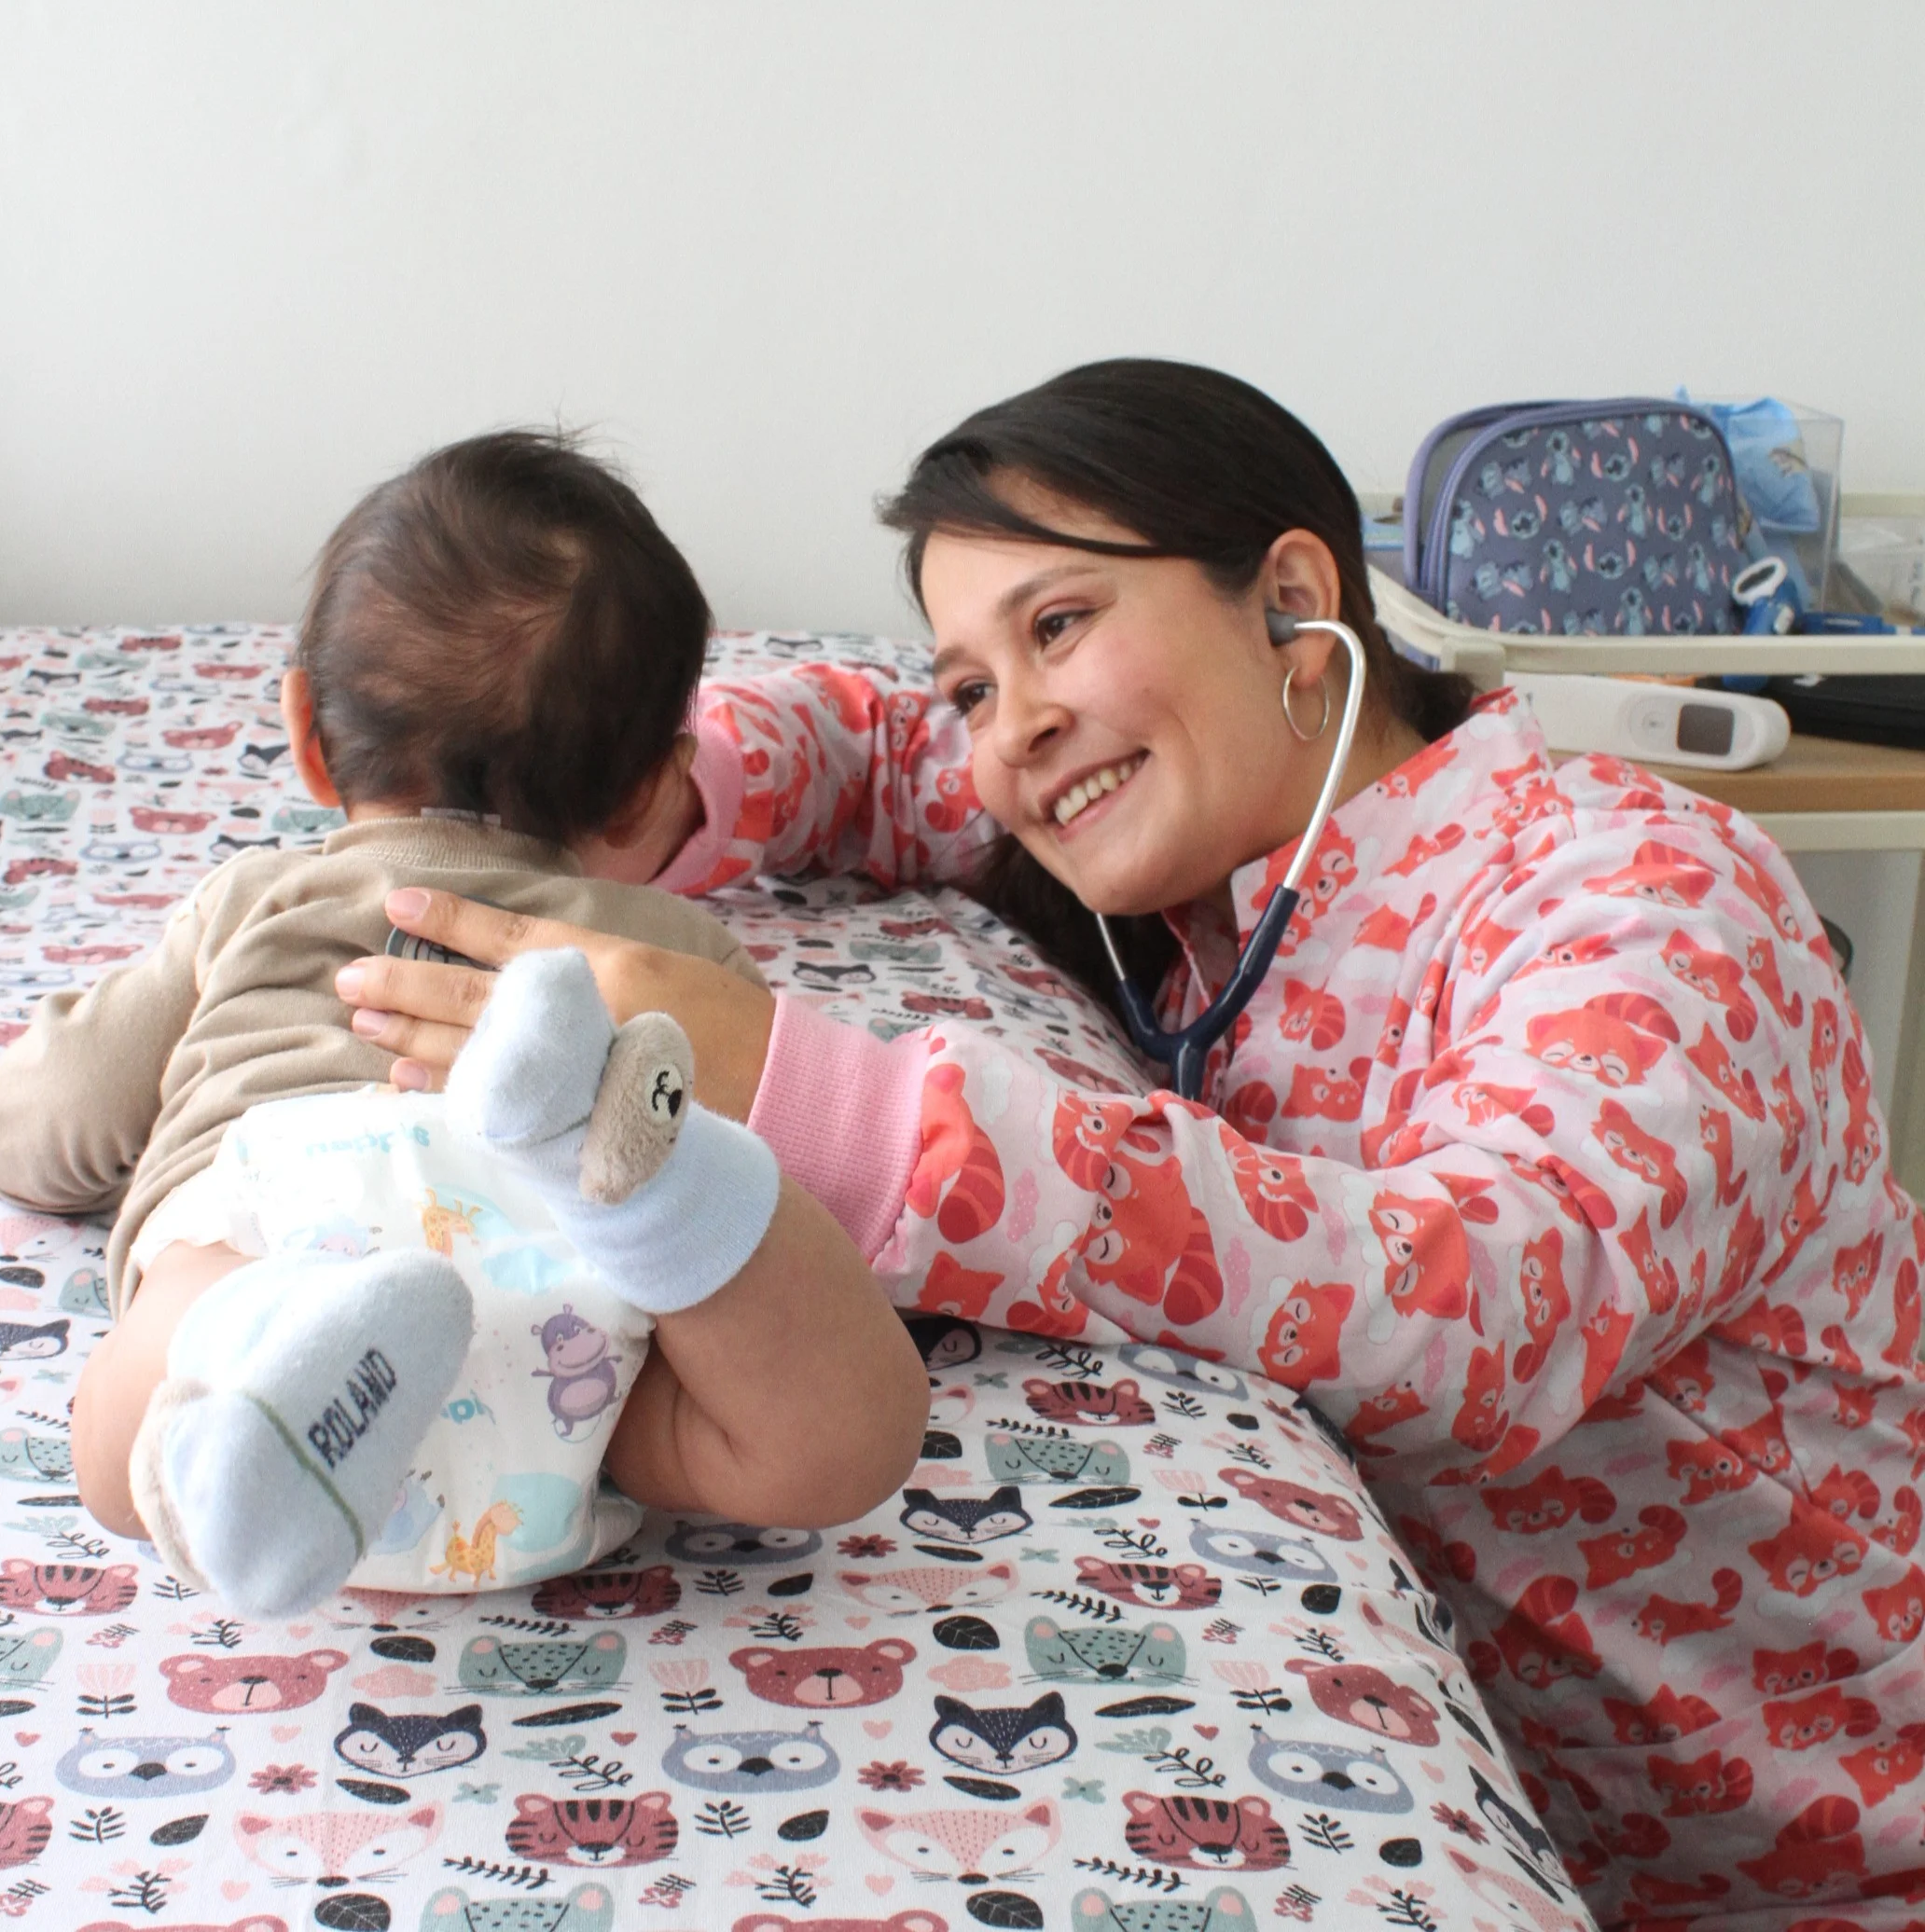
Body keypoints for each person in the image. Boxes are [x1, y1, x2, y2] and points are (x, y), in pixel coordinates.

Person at [340, 362, 1925, 1926]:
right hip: (1568, 1812)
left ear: (1291, 601)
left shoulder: (1643, 897)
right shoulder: (1192, 848)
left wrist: (836, 1105)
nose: (1010, 731)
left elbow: (1481, 1304)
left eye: (1058, 626)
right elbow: (879, 748)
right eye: (975, 683)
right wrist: (614, 809)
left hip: (1837, 1854)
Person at [0, 431, 925, 1617]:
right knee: (817, 1430)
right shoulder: (677, 959)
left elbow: (45, 1126)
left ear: (307, 734)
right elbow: (810, 1167)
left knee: (131, 1410)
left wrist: (22, 1123)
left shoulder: (258, 898)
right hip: (571, 1325)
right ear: (650, 792)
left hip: (286, 1209)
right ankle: (655, 1192)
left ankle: (260, 1347)